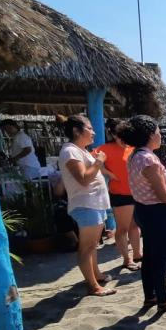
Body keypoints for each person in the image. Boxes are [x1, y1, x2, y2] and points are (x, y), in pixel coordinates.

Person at [119, 115, 166, 311]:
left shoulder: (135, 155)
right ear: (149, 135)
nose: (161, 136)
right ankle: (163, 300)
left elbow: (151, 187)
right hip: (156, 212)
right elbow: (160, 192)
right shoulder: (147, 158)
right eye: (158, 132)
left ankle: (151, 296)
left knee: (150, 256)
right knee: (159, 258)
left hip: (144, 209)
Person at [57, 115, 115, 297]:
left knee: (92, 245)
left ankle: (96, 275)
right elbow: (84, 179)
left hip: (93, 204)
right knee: (87, 247)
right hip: (86, 204)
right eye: (90, 128)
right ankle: (93, 286)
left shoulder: (79, 150)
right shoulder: (70, 151)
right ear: (77, 131)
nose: (94, 132)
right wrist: (99, 162)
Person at [97, 119, 142, 271]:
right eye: (119, 134)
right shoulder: (105, 148)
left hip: (136, 192)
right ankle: (126, 259)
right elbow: (89, 161)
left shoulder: (132, 147)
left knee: (134, 225)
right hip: (120, 193)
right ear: (113, 134)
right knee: (122, 228)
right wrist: (108, 173)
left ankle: (137, 254)